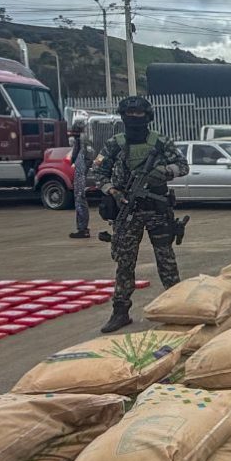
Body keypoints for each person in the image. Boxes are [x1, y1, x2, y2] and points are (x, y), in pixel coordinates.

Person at [94, 96, 189, 333]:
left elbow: (182, 166)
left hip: (156, 208)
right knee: (125, 262)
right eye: (130, 115)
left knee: (166, 259)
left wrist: (163, 172)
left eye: (139, 115)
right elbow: (98, 172)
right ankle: (120, 311)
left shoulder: (160, 142)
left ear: (148, 117)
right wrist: (112, 191)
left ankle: (176, 307)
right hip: (128, 210)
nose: (134, 120)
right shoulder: (114, 144)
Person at [67, 119, 92, 239]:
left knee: (79, 197)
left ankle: (82, 228)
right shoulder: (85, 142)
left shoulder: (83, 144)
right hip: (83, 171)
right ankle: (82, 228)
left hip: (81, 173)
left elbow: (80, 161)